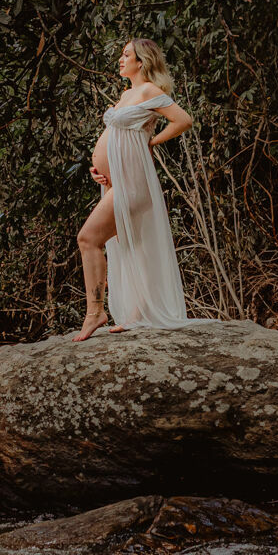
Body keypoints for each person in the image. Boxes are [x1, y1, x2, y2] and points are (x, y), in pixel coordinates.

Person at [73, 39, 198, 341]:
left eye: (126, 54)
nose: (120, 58)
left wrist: (151, 143)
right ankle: (139, 314)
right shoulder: (127, 93)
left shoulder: (149, 92)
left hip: (133, 182)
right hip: (118, 181)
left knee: (88, 238)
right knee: (134, 248)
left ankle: (95, 312)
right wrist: (101, 170)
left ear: (141, 62)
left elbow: (183, 120)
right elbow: (115, 136)